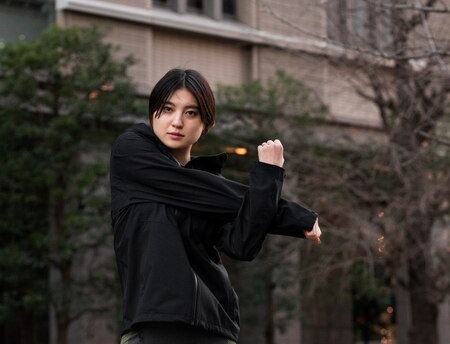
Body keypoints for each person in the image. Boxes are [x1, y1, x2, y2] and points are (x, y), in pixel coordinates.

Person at [109, 68, 322, 344]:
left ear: (205, 123)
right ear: (153, 113)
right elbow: (192, 187)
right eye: (167, 109)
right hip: (153, 327)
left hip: (215, 330)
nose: (176, 122)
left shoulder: (211, 186)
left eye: (190, 113)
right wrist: (291, 215)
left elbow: (242, 245)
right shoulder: (131, 152)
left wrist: (269, 175)